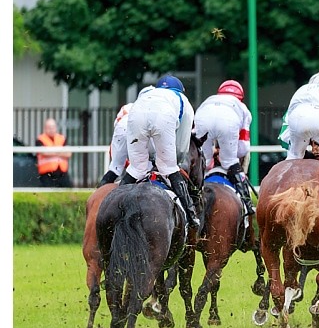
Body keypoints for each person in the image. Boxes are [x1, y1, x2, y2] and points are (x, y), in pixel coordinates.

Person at [122, 74, 199, 228]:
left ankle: (115, 205)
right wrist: (167, 160)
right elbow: (181, 147)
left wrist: (150, 158)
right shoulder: (183, 101)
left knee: (136, 169)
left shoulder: (148, 95)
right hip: (163, 117)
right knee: (169, 168)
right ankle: (192, 215)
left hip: (135, 113)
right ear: (180, 90)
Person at [194, 79, 255, 215]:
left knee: (205, 162)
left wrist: (212, 154)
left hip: (203, 117)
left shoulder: (208, 101)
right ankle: (247, 205)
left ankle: (189, 205)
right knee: (230, 162)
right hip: (228, 122)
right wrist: (225, 155)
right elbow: (243, 148)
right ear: (241, 98)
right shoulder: (243, 108)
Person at [97, 86, 156, 187]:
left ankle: (99, 193)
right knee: (151, 166)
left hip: (122, 128)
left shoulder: (128, 107)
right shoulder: (157, 108)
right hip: (141, 129)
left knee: (114, 169)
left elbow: (118, 126)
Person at [36, 117, 72, 187]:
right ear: (45, 128)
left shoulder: (62, 138)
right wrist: (60, 152)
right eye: (49, 127)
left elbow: (68, 153)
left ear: (56, 127)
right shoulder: (40, 139)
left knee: (68, 192)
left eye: (53, 127)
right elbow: (44, 153)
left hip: (62, 172)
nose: (51, 129)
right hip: (47, 174)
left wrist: (52, 152)